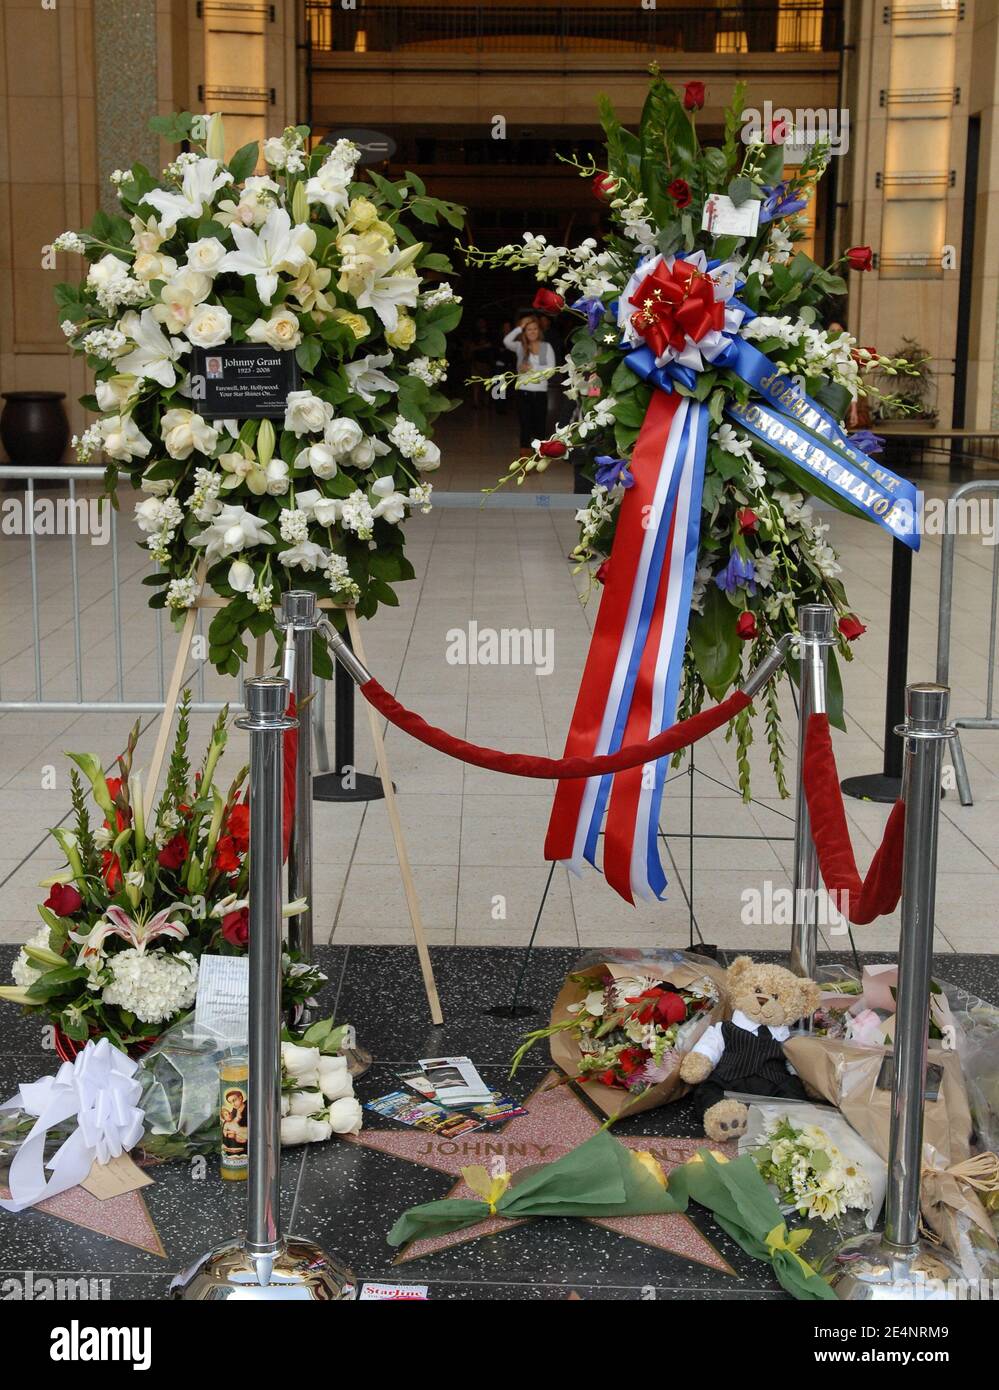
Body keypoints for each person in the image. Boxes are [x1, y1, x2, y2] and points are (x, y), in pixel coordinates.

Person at [503, 315, 555, 456]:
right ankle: (524, 459)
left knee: (539, 427)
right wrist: (520, 327)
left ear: (539, 331)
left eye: (535, 329)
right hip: (523, 391)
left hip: (540, 392)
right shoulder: (521, 347)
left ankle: (538, 458)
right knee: (525, 426)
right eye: (528, 329)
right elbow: (506, 341)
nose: (532, 332)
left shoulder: (546, 347)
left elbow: (551, 370)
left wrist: (532, 370)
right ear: (524, 332)